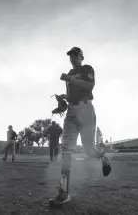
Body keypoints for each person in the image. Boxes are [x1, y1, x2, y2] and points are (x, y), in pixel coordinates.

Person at [49, 47, 112, 208]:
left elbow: (89, 86)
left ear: (82, 56)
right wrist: (63, 99)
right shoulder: (69, 73)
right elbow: (72, 95)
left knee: (89, 150)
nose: (72, 58)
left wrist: (71, 80)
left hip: (86, 111)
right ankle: (63, 193)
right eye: (70, 56)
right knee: (66, 150)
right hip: (71, 112)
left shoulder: (87, 69)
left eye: (75, 55)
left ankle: (103, 157)